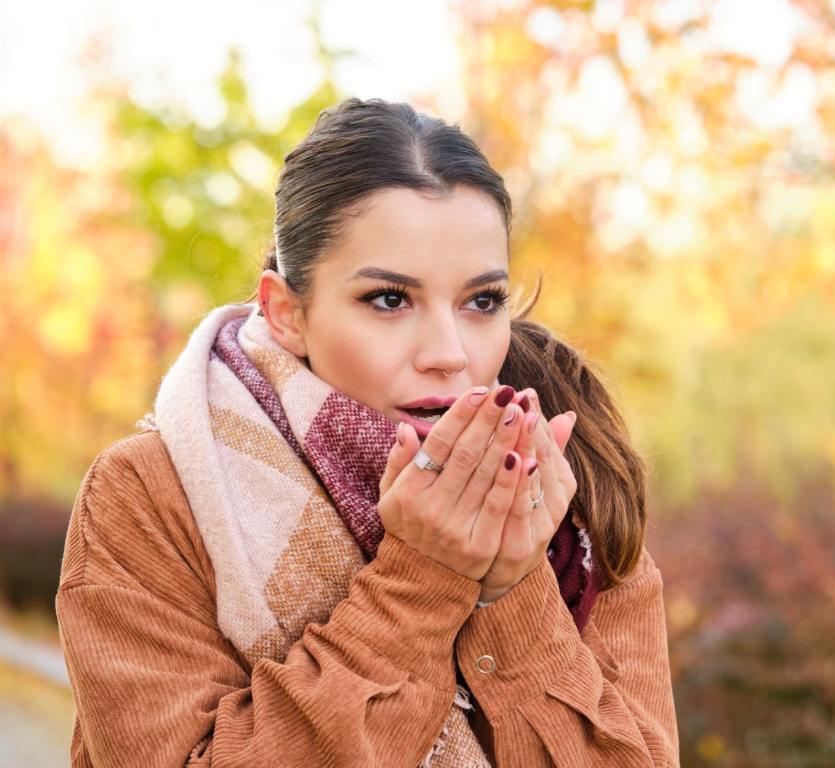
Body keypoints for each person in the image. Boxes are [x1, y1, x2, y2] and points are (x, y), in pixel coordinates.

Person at [55, 97, 680, 767]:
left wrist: (516, 591)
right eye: (388, 300)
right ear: (287, 311)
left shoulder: (573, 502)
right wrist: (424, 579)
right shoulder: (153, 493)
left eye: (481, 301)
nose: (448, 352)